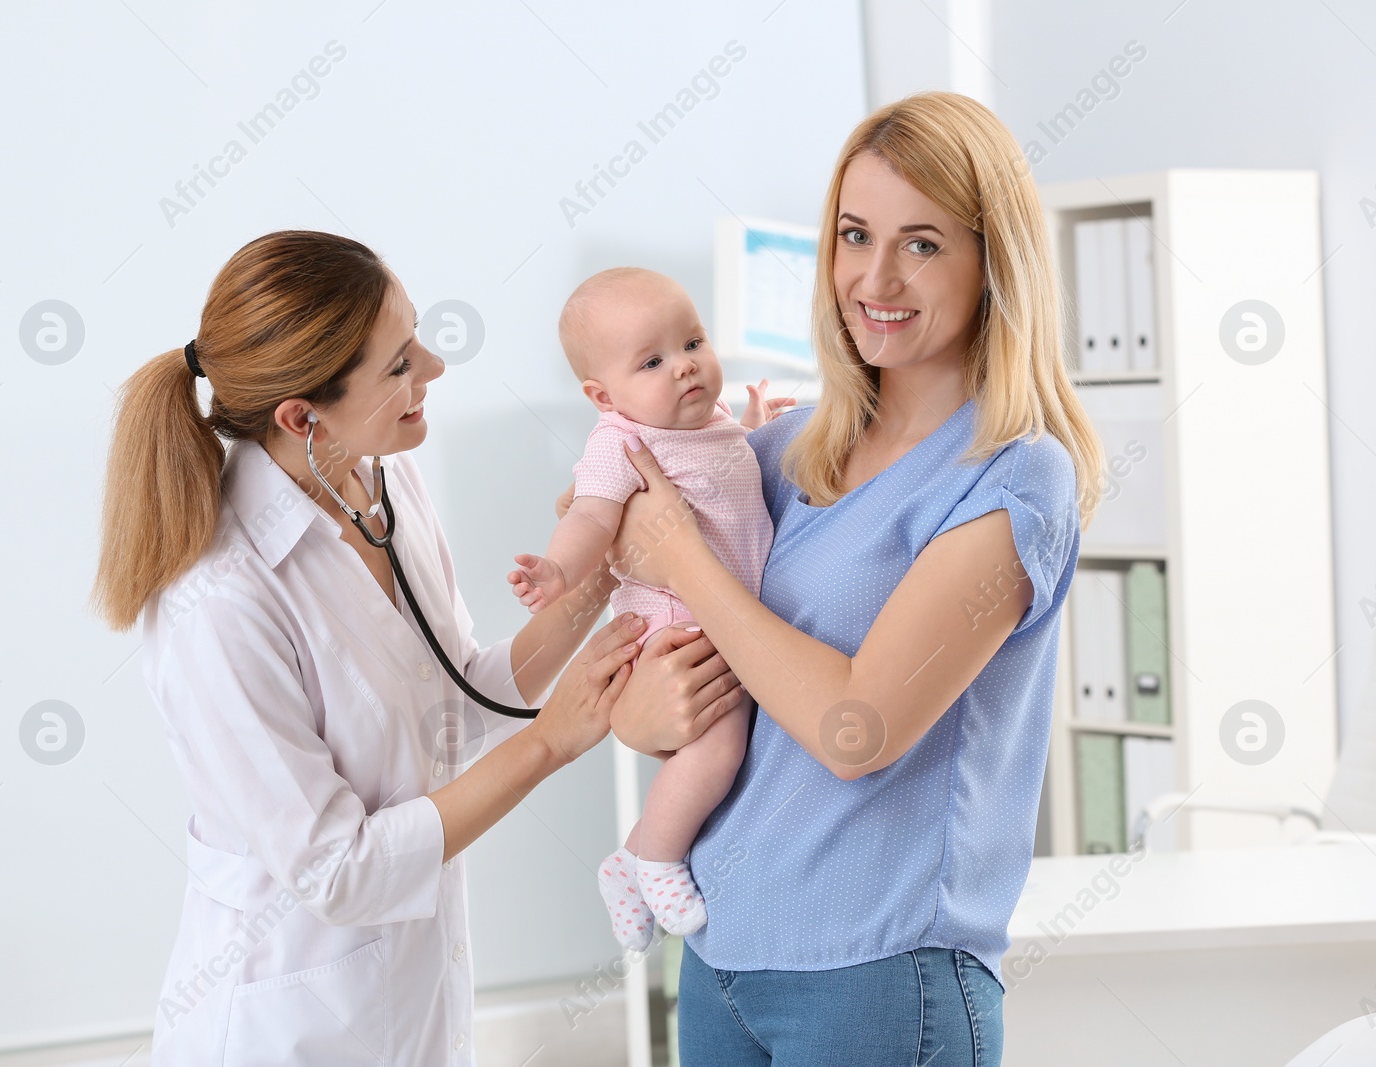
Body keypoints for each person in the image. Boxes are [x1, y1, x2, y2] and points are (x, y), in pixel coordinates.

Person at [89, 230, 745, 1067]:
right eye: (400, 363)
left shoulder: (379, 477)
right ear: (302, 416)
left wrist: (617, 555)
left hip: (415, 1005)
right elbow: (338, 869)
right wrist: (552, 740)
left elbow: (460, 691)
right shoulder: (217, 600)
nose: (433, 369)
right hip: (286, 1030)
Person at [604, 92, 1105, 1067]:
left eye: (922, 244)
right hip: (719, 956)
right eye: (853, 235)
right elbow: (647, 652)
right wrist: (646, 707)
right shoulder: (786, 448)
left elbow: (857, 730)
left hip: (880, 974)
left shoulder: (1012, 474)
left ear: (990, 260)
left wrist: (686, 564)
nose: (875, 277)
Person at [505, 267, 794, 950]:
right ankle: (658, 856)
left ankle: (628, 857)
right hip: (675, 622)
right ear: (604, 396)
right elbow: (589, 517)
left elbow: (728, 483)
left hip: (720, 614)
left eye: (693, 343)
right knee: (719, 745)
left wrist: (752, 426)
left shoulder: (711, 421)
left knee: (725, 746)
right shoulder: (620, 442)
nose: (686, 368)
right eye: (654, 361)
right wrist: (557, 569)